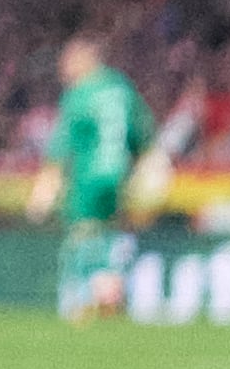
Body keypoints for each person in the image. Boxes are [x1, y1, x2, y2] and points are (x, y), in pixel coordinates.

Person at [34, 37, 159, 321]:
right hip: (119, 176)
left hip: (88, 175)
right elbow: (144, 136)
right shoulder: (121, 88)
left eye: (67, 60)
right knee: (107, 234)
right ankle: (110, 290)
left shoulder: (79, 94)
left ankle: (82, 301)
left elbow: (60, 148)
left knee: (82, 235)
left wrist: (44, 190)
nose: (62, 68)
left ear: (84, 60)